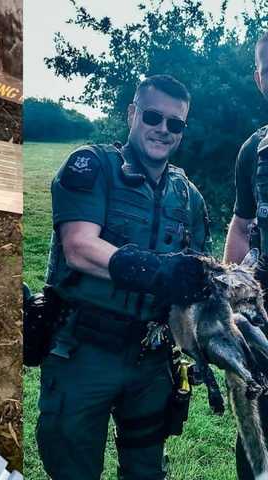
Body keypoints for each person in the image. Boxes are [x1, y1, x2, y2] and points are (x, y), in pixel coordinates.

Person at [37, 74, 212, 480]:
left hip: (151, 361)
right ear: (133, 113)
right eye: (153, 116)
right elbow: (79, 246)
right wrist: (157, 270)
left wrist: (203, 341)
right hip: (84, 352)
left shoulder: (189, 197)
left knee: (145, 471)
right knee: (73, 470)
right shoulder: (93, 165)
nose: (163, 129)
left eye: (176, 124)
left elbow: (195, 283)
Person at [223, 31, 268, 480]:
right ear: (259, 79)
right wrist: (231, 307)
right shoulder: (254, 150)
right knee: (257, 420)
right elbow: (241, 224)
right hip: (264, 315)